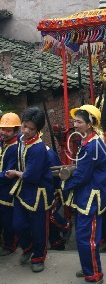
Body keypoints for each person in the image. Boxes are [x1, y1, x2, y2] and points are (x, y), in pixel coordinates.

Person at [62, 104, 106, 284]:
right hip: (87, 195)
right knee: (84, 235)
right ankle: (88, 267)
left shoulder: (92, 147)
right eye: (75, 121)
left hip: (90, 197)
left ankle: (94, 274)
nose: (75, 125)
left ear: (90, 124)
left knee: (86, 237)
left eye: (79, 122)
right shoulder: (89, 142)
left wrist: (64, 185)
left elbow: (82, 175)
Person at [6, 107, 54, 273]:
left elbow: (32, 177)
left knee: (39, 228)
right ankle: (27, 247)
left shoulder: (38, 149)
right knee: (17, 224)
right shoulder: (20, 138)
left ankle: (38, 257)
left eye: (30, 128)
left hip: (38, 192)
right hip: (22, 189)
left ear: (38, 130)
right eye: (24, 126)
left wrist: (14, 173)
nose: (25, 130)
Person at [0, 113, 21, 256]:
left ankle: (10, 245)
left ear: (15, 131)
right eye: (2, 129)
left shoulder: (15, 148)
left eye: (8, 130)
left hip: (8, 190)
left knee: (7, 220)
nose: (4, 133)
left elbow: (8, 173)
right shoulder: (3, 142)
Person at [47, 146, 72, 250]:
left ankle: (66, 225)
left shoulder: (49, 154)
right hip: (47, 191)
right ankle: (56, 243)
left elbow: (55, 175)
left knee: (51, 215)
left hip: (55, 191)